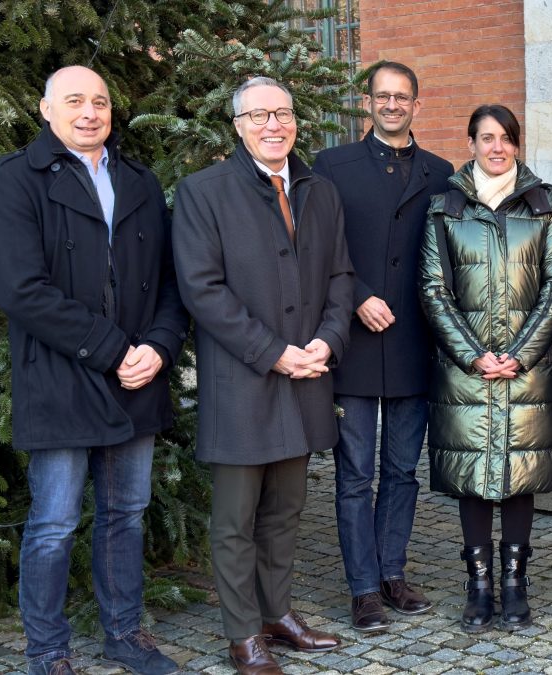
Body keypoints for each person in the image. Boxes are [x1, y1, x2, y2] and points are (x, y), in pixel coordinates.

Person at [0, 65, 186, 675]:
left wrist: (157, 346)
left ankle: (125, 635)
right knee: (53, 523)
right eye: (74, 100)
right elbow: (21, 288)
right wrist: (113, 349)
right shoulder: (14, 179)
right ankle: (48, 652)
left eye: (100, 101)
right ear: (46, 110)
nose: (89, 112)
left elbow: (169, 284)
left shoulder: (139, 180)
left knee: (125, 515)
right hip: (60, 375)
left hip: (138, 373)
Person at [172, 77, 353, 674]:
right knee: (235, 518)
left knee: (286, 510)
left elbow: (340, 278)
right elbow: (202, 289)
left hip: (307, 378)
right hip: (244, 381)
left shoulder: (319, 190)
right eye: (259, 115)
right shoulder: (204, 191)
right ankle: (242, 633)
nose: (274, 124)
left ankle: (278, 614)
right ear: (238, 125)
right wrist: (273, 351)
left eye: (283, 113)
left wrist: (327, 340)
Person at [418, 104, 552, 633]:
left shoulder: (545, 206)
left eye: (506, 138)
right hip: (466, 371)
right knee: (473, 478)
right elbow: (433, 289)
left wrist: (520, 354)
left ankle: (514, 584)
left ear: (517, 144)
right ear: (472, 143)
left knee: (519, 475)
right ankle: (478, 585)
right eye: (486, 137)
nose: (497, 147)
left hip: (526, 370)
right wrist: (473, 354)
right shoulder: (445, 207)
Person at [313, 61, 452, 632]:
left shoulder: (442, 173)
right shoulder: (333, 166)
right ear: (368, 103)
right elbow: (322, 247)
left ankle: (393, 571)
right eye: (383, 96)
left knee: (401, 470)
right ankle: (363, 588)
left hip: (416, 343)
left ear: (417, 105)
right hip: (357, 341)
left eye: (403, 97)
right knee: (354, 473)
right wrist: (358, 296)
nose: (393, 105)